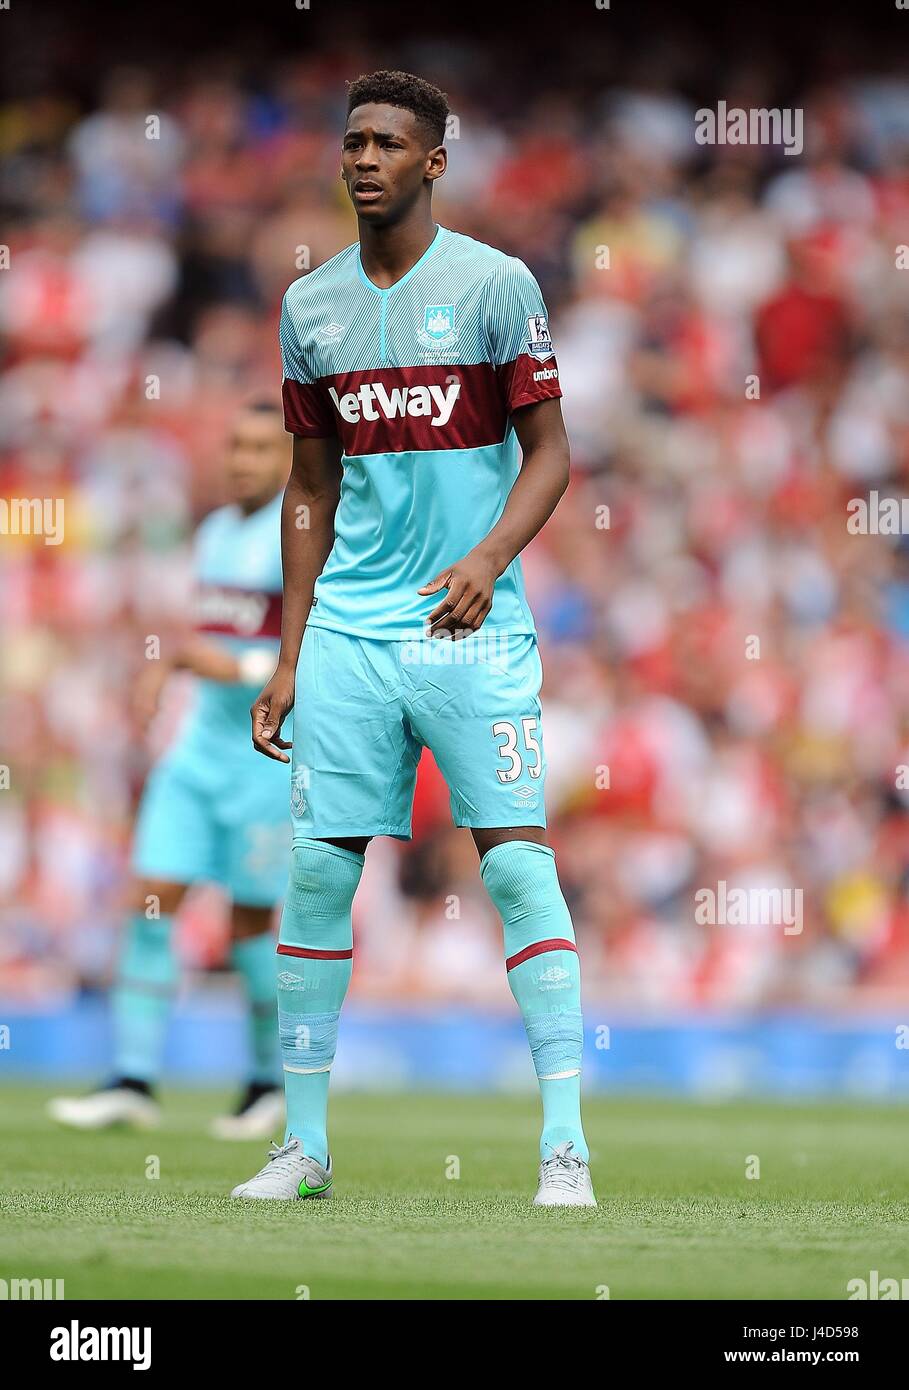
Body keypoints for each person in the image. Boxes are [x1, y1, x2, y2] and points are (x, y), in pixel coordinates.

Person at [231, 71, 594, 1206]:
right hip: (348, 628)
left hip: (470, 628)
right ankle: (304, 1148)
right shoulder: (312, 309)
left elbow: (552, 452)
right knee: (313, 873)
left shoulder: (496, 286)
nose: (366, 158)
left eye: (390, 142)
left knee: (521, 869)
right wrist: (291, 650)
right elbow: (307, 488)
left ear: (435, 162)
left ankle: (565, 1145)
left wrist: (487, 561)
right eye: (353, 142)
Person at [49, 402, 292, 1140]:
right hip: (197, 753)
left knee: (249, 921)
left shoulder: (302, 532)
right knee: (150, 898)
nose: (244, 460)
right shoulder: (217, 531)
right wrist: (173, 666)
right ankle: (133, 1077)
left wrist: (198, 662)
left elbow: (302, 653)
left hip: (268, 755)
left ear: (289, 460)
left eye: (260, 448)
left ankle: (266, 1084)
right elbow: (216, 633)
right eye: (236, 446)